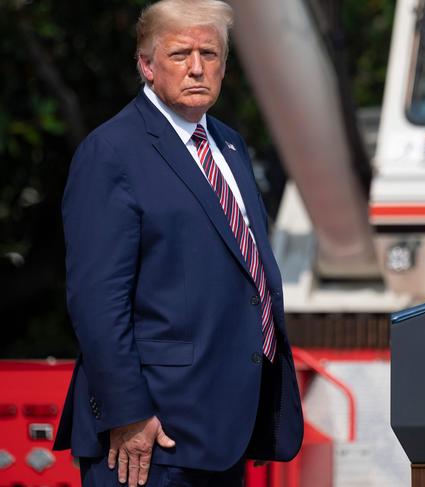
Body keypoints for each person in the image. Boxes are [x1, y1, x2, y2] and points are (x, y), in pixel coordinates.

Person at [52, 1, 303, 485]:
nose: (195, 67)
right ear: (146, 65)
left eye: (209, 53)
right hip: (151, 434)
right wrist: (127, 412)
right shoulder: (111, 151)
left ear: (224, 67)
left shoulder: (229, 144)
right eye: (179, 54)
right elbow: (96, 300)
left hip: (226, 427)